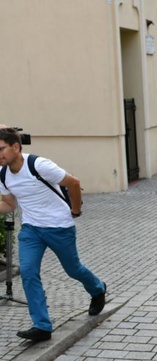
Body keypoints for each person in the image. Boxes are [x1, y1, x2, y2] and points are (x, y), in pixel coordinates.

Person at [0, 127, 107, 341]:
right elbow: (9, 204)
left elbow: (73, 182)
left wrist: (75, 210)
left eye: (1, 149)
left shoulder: (38, 165)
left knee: (73, 269)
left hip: (59, 226)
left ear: (16, 146)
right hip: (31, 230)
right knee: (29, 272)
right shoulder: (2, 174)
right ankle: (42, 326)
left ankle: (98, 288)